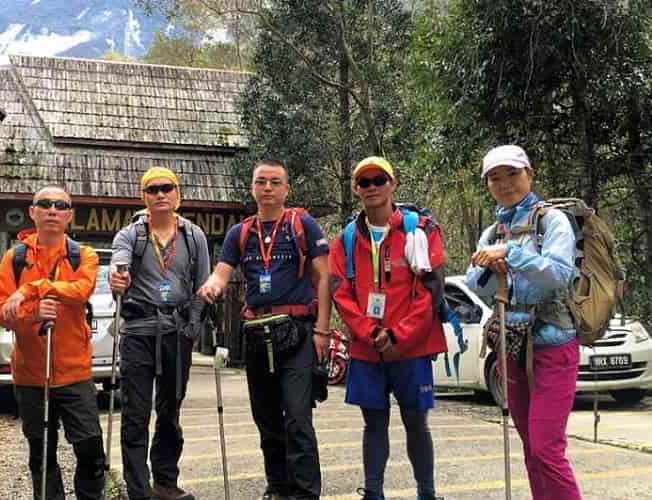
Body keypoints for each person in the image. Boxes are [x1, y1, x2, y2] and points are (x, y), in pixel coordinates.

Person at [198, 159, 330, 500]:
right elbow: (222, 272)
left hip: (297, 332)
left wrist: (322, 331)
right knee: (266, 418)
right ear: (253, 187)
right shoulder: (239, 233)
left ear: (286, 189)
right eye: (261, 182)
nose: (268, 188)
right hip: (257, 333)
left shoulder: (303, 225)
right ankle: (277, 486)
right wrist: (212, 286)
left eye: (275, 182)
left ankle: (304, 492)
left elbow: (325, 277)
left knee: (298, 419)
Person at [465, 145, 581, 500]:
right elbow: (472, 283)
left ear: (529, 173)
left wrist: (511, 254)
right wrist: (491, 264)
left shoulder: (552, 222)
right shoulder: (493, 230)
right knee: (531, 448)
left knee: (547, 448)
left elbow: (559, 275)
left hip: (553, 343)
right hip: (511, 345)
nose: (504, 184)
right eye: (495, 178)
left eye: (512, 174)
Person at [329, 157, 447, 500]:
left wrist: (398, 335)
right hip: (368, 350)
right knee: (374, 423)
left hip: (412, 347)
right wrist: (371, 333)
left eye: (379, 179)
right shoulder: (347, 239)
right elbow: (341, 292)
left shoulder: (420, 229)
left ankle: (426, 492)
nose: (372, 187)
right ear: (356, 190)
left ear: (393, 184)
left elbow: (431, 290)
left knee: (416, 421)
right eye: (364, 182)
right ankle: (374, 493)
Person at [0, 185, 106, 500]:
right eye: (45, 204)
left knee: (91, 449)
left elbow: (80, 290)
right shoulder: (15, 258)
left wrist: (32, 289)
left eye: (60, 205)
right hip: (30, 374)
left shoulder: (84, 256)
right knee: (42, 454)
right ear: (33, 212)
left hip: (75, 373)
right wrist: (33, 313)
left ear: (69, 215)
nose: (52, 210)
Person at [108, 167, 210, 500]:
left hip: (176, 333)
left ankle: (165, 482)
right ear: (144, 197)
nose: (160, 194)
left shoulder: (194, 237)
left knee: (171, 410)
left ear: (177, 194)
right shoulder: (130, 235)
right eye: (153, 189)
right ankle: (138, 491)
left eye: (167, 188)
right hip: (138, 331)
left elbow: (203, 286)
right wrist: (117, 278)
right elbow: (118, 266)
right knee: (135, 413)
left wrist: (194, 325)